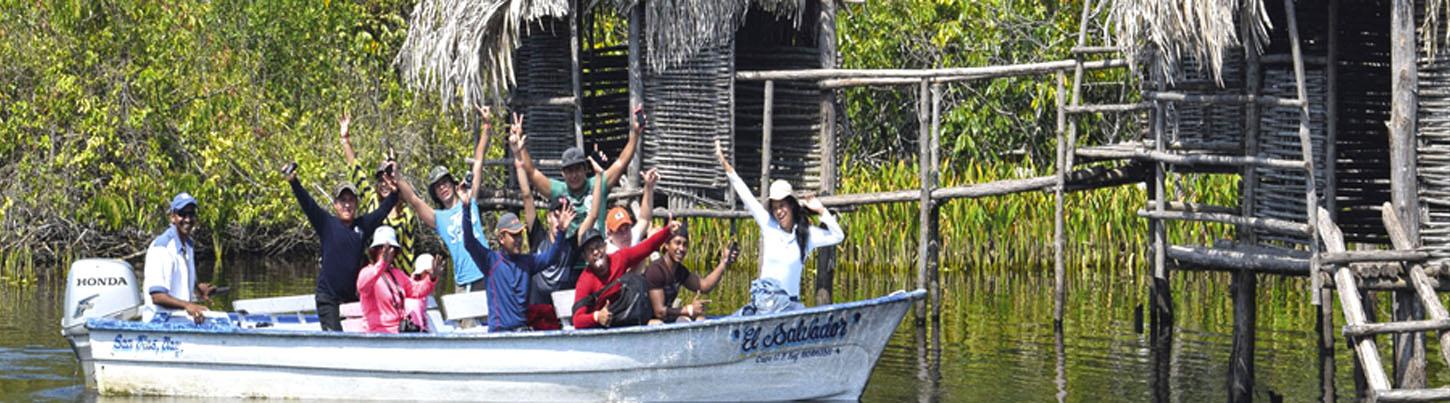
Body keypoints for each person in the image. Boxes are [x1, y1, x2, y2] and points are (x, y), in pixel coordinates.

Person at [458, 115, 574, 331]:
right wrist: (465, 208)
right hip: (500, 335)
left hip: (522, 332)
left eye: (520, 233)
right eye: (514, 235)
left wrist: (561, 232)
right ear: (501, 238)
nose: (519, 238)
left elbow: (551, 257)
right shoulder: (490, 261)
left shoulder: (526, 262)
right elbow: (469, 242)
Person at [715, 140, 844, 314]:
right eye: (775, 207)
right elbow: (746, 195)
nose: (779, 212)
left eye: (782, 206)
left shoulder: (807, 235)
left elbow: (838, 236)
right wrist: (725, 164)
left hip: (789, 305)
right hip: (765, 303)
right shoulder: (769, 226)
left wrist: (820, 209)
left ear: (791, 205)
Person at [393, 107, 492, 327]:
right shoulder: (439, 218)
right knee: (466, 330)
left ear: (453, 183)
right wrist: (398, 178)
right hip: (463, 279)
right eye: (438, 186)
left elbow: (478, 162)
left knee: (494, 324)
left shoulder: (470, 199)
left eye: (445, 182)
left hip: (486, 272)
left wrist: (486, 127)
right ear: (435, 193)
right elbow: (415, 201)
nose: (443, 188)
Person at [285, 160, 400, 331]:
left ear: (356, 204)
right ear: (335, 204)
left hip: (352, 297)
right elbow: (307, 203)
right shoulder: (326, 223)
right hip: (328, 298)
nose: (347, 205)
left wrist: (395, 193)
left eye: (351, 200)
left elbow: (382, 211)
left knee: (361, 336)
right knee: (335, 339)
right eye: (343, 200)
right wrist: (293, 181)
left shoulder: (362, 226)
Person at [513, 104, 644, 239]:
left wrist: (635, 134)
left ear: (585, 169)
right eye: (569, 171)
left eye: (577, 170)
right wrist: (520, 146)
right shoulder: (559, 190)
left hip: (597, 254)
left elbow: (621, 163)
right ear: (563, 174)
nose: (574, 175)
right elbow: (532, 172)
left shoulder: (598, 184)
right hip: (570, 257)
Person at [339, 111, 418, 273]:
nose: (384, 184)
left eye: (388, 179)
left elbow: (408, 251)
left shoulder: (406, 214)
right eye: (380, 180)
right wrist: (345, 140)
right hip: (371, 273)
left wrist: (408, 281)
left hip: (397, 275)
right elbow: (356, 169)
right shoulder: (371, 198)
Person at [572, 222, 676, 330]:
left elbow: (646, 247)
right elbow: (577, 320)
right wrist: (597, 316)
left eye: (598, 246)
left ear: (605, 246)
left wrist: (668, 231)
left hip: (629, 318)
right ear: (585, 258)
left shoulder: (620, 258)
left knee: (637, 281)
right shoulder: (585, 280)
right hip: (605, 329)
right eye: (590, 250)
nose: (596, 252)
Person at [141, 192, 216, 324]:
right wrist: (188, 305)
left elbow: (181, 278)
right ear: (172, 217)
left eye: (191, 214)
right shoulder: (162, 248)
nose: (187, 219)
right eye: (182, 214)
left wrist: (199, 291)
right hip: (159, 321)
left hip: (180, 318)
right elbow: (157, 296)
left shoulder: (188, 245)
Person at [644, 225, 737, 324]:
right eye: (677, 243)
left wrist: (724, 262)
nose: (681, 248)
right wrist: (689, 309)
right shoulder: (656, 271)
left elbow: (704, 286)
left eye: (685, 245)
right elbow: (659, 312)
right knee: (659, 323)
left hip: (666, 318)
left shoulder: (679, 270)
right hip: (649, 321)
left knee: (700, 319)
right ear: (667, 245)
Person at [356, 226, 437, 333]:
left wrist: (431, 278)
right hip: (377, 333)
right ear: (374, 251)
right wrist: (382, 264)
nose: (388, 252)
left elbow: (417, 290)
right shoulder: (367, 273)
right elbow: (362, 286)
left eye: (392, 248)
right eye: (382, 248)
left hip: (400, 331)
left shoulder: (397, 274)